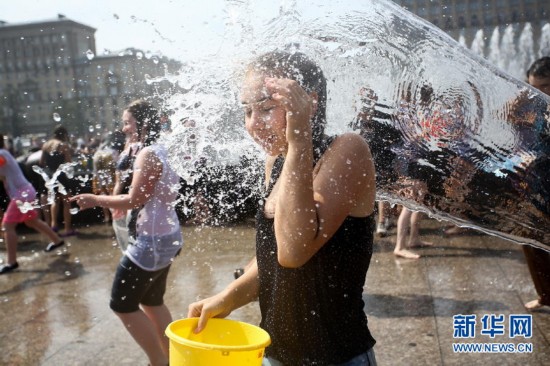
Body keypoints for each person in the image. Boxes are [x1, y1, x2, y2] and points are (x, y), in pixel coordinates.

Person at [188, 51, 377, 365]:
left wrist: (300, 139)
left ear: (308, 104)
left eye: (266, 108)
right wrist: (228, 297)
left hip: (337, 357)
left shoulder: (347, 151)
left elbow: (293, 251)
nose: (253, 124)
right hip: (274, 354)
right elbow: (272, 256)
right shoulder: (277, 161)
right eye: (247, 110)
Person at [71, 100, 183, 366]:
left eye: (126, 122)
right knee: (152, 301)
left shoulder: (147, 154)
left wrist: (96, 200)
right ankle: (173, 358)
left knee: (122, 305)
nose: (122, 128)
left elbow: (134, 199)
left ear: (141, 124)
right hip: (168, 235)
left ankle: (159, 361)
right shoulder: (157, 149)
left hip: (151, 242)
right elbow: (127, 175)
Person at [0, 133, 65, 274]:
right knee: (31, 221)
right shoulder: (4, 154)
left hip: (22, 194)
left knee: (7, 226)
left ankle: (11, 262)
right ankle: (57, 241)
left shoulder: (2, 154)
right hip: (25, 192)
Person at [520, 57, 550, 310]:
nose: (538, 93)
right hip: (538, 183)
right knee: (529, 237)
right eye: (533, 87)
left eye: (544, 86)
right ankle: (546, 295)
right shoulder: (536, 109)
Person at [39, 125, 76, 236]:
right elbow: (69, 162)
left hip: (50, 175)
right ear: (64, 134)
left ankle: (54, 226)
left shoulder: (46, 145)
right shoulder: (63, 145)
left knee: (54, 201)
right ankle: (67, 229)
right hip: (61, 175)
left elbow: (41, 162)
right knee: (66, 202)